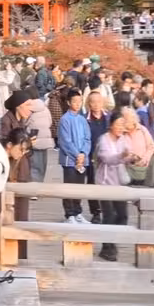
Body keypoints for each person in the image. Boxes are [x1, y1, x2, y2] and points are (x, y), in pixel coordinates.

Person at [55, 88, 92, 223]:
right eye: (75, 101)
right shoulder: (65, 119)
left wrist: (83, 153)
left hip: (82, 159)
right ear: (69, 102)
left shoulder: (83, 120)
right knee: (69, 186)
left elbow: (88, 139)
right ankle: (69, 213)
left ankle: (78, 212)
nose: (77, 104)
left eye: (80, 101)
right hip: (69, 160)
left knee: (79, 187)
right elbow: (65, 141)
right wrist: (77, 155)